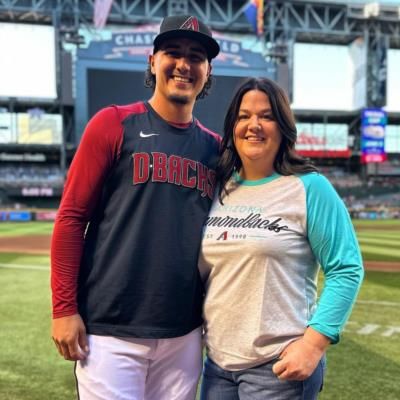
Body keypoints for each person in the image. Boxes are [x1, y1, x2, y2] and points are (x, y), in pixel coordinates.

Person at [51, 15, 221, 400]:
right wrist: (63, 308)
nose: (184, 64)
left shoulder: (217, 149)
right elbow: (71, 220)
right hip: (110, 329)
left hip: (184, 332)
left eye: (196, 56)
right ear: (152, 61)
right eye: (173, 52)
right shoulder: (113, 124)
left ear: (208, 71)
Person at [198, 77, 364, 400]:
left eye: (267, 116)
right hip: (218, 366)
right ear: (232, 125)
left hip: (278, 368)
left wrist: (314, 344)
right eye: (244, 116)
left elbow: (346, 268)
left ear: (283, 125)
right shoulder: (219, 188)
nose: (253, 125)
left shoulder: (309, 187)